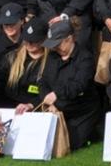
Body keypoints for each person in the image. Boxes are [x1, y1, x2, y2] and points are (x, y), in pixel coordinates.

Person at [39, 17, 101, 150]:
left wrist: (57, 95)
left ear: (69, 39)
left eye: (58, 44)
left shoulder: (85, 58)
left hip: (81, 109)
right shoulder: (52, 56)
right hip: (55, 107)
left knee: (69, 144)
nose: (55, 48)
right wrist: (48, 101)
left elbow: (79, 85)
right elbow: (43, 81)